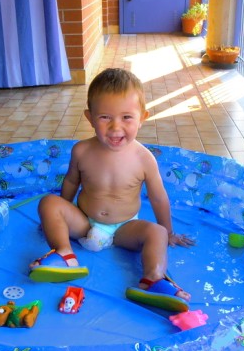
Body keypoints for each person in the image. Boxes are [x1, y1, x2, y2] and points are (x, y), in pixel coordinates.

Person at [28, 68, 194, 312]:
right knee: (48, 203)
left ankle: (153, 278)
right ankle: (65, 254)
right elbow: (71, 182)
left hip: (124, 229)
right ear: (89, 117)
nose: (116, 128)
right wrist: (59, 218)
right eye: (105, 117)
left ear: (143, 117)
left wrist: (169, 232)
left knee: (156, 233)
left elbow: (159, 198)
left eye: (127, 117)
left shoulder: (143, 158)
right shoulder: (82, 151)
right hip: (85, 222)